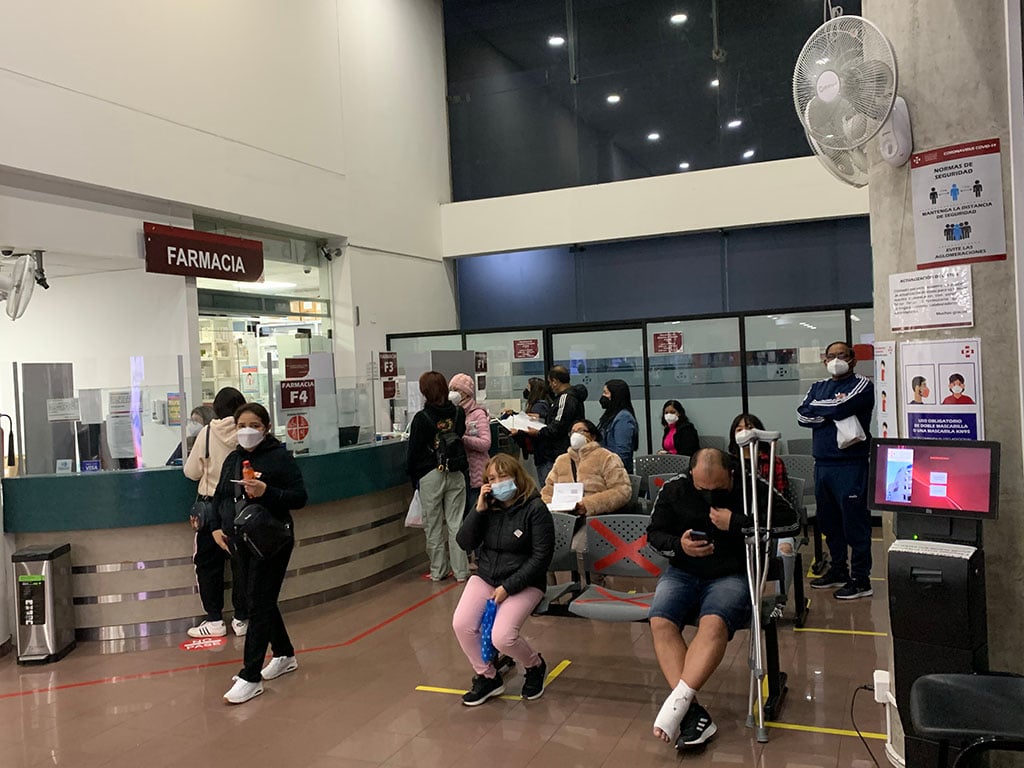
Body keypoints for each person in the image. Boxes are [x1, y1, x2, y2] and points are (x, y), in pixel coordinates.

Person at [646, 449, 795, 750]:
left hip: (732, 574)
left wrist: (738, 523)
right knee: (660, 621)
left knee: (712, 623)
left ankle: (678, 705)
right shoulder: (675, 488)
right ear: (691, 476)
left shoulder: (752, 486)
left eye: (718, 490)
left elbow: (791, 522)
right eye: (703, 490)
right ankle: (690, 710)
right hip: (683, 572)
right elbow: (654, 534)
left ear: (731, 475)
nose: (711, 497)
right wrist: (680, 545)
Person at [213, 402, 307, 704]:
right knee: (258, 599)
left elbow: (299, 497)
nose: (247, 431)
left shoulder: (279, 457)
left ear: (265, 427)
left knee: (259, 603)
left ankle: (250, 675)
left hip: (272, 540)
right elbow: (221, 497)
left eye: (253, 425)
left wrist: (267, 491)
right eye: (241, 425)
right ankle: (284, 653)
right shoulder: (233, 459)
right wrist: (216, 526)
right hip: (240, 541)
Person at [451, 454, 555, 705]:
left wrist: (508, 588)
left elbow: (541, 558)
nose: (498, 483)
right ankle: (487, 675)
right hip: (487, 575)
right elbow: (464, 542)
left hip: (524, 581)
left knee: (503, 637)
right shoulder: (488, 507)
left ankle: (534, 665)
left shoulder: (535, 509)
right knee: (462, 624)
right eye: (492, 479)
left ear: (517, 477)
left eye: (503, 476)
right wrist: (478, 511)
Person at [796, 341, 875, 600]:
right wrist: (831, 409)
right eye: (831, 356)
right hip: (823, 465)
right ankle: (839, 570)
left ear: (853, 360)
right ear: (824, 361)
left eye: (841, 355)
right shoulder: (818, 387)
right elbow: (801, 416)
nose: (836, 359)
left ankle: (861, 579)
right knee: (829, 523)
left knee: (855, 523)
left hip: (851, 465)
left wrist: (825, 408)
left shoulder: (862, 384)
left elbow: (840, 408)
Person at [182, 388, 248, 639]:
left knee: (208, 565)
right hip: (240, 506)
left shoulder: (207, 433)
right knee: (241, 563)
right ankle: (242, 618)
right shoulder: (249, 431)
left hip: (209, 506)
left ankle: (215, 620)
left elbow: (191, 472)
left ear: (216, 410)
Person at [406, 371, 469, 582]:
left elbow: (413, 453)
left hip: (430, 474)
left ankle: (438, 570)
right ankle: (461, 571)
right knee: (456, 524)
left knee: (433, 526)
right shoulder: (459, 413)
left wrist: (414, 478)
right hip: (456, 472)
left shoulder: (421, 419)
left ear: (424, 392)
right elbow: (459, 436)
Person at [727, 413, 796, 597]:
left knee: (786, 548)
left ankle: (781, 599)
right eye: (739, 429)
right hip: (741, 520)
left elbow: (780, 499)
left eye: (749, 428)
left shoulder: (773, 461)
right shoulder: (729, 464)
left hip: (769, 519)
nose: (744, 433)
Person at [541, 420, 632, 549]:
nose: (575, 435)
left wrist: (588, 504)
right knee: (543, 547)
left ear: (593, 436)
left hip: (594, 518)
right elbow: (547, 490)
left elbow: (622, 491)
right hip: (563, 519)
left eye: (580, 431)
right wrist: (552, 506)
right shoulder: (562, 461)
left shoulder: (606, 457)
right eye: (572, 432)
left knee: (577, 548)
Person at [527, 365, 587, 480]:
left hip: (557, 452)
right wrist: (542, 417)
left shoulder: (565, 398)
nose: (550, 386)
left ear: (555, 381)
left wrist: (538, 432)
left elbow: (557, 427)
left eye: (550, 382)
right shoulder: (568, 398)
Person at [448, 373, 492, 515]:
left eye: (456, 390)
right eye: (451, 389)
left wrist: (462, 439)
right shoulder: (453, 413)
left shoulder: (477, 413)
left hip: (476, 475)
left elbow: (485, 443)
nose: (452, 393)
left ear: (466, 393)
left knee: (475, 513)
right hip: (459, 473)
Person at [508, 377, 556, 484]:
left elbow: (534, 427)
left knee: (544, 482)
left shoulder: (539, 406)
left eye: (528, 388)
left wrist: (519, 432)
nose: (526, 390)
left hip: (541, 451)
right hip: (542, 452)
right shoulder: (543, 404)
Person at [597, 378, 639, 473]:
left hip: (617, 474)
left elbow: (622, 453)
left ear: (616, 395)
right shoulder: (610, 416)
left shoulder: (624, 418)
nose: (603, 396)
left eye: (606, 393)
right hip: (606, 471)